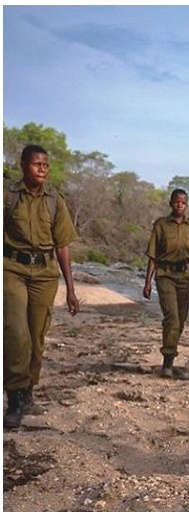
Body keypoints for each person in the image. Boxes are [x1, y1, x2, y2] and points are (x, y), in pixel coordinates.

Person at [4, 144, 80, 429]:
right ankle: (13, 399)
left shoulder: (54, 201)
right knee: (15, 333)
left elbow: (62, 246)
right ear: (23, 164)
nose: (42, 169)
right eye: (37, 164)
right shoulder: (8, 195)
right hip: (11, 268)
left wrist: (71, 290)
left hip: (45, 274)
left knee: (36, 336)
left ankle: (28, 391)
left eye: (46, 165)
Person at [142, 188, 189, 378]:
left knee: (181, 320)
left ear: (187, 205)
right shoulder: (161, 226)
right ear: (171, 203)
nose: (180, 205)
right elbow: (152, 256)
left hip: (184, 276)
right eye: (177, 202)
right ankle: (167, 363)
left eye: (183, 203)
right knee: (172, 318)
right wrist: (147, 282)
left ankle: (170, 358)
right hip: (165, 275)